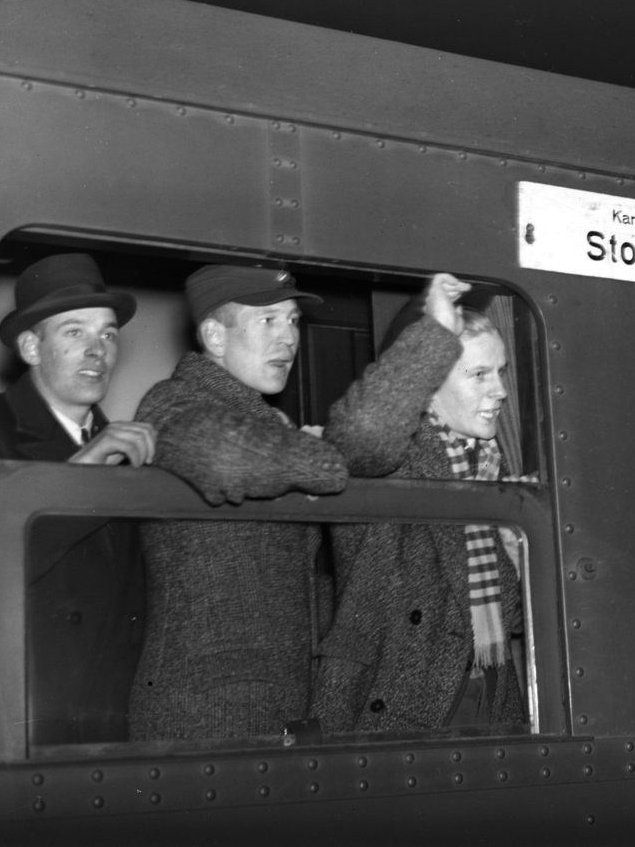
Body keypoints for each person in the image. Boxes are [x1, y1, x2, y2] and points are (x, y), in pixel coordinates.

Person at [128, 266, 466, 740]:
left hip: (277, 704)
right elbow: (227, 457)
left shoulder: (268, 424)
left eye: (292, 321)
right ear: (215, 336)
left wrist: (434, 336)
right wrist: (323, 454)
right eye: (268, 320)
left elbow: (364, 448)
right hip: (205, 713)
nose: (288, 337)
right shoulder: (169, 403)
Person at [314, 304, 527, 733]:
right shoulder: (392, 461)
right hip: (394, 703)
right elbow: (361, 437)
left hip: (489, 694)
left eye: (500, 372)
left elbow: (513, 619)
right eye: (480, 374)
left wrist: (519, 557)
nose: (501, 390)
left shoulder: (489, 467)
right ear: (426, 387)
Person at [0, 252, 157, 744]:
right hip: (15, 727)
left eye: (108, 334)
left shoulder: (129, 448)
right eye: (74, 331)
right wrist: (82, 472)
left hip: (108, 728)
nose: (97, 350)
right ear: (30, 346)